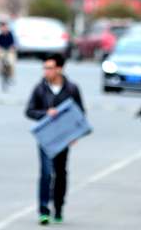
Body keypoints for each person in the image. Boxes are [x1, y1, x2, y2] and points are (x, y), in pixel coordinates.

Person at [25, 54, 85, 226]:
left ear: (59, 68)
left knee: (60, 173)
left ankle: (58, 207)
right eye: (45, 68)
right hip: (46, 138)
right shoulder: (40, 88)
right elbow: (29, 110)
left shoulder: (72, 88)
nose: (46, 71)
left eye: (50, 68)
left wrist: (75, 135)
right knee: (45, 173)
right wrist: (45, 113)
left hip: (63, 139)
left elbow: (80, 113)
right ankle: (43, 210)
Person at [0, 21, 17, 86]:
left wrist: (12, 48)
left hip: (9, 50)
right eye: (2, 28)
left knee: (11, 61)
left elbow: (13, 44)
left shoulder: (10, 34)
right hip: (2, 50)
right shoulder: (0, 35)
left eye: (4, 27)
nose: (3, 29)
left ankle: (12, 75)